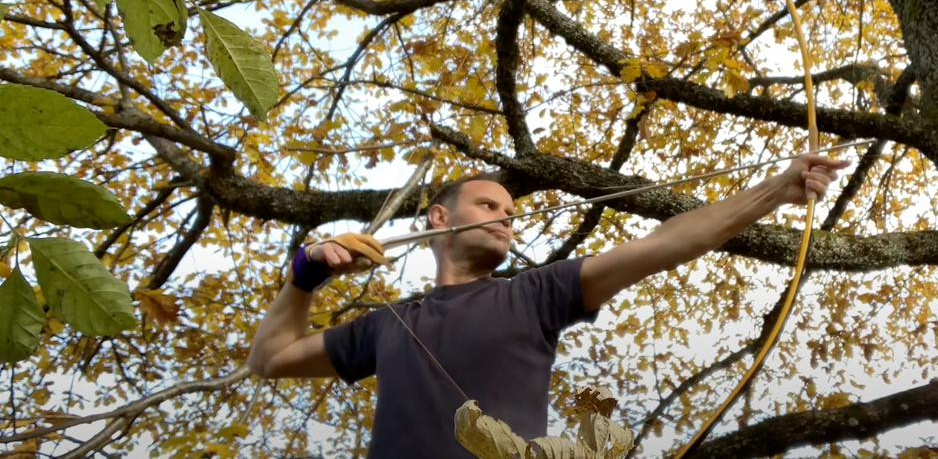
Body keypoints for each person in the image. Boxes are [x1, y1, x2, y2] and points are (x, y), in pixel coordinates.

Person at [246, 154, 850, 458]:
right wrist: (303, 277)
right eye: (488, 206)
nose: (505, 217)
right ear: (439, 218)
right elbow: (268, 360)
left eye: (510, 212)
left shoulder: (535, 294)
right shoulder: (388, 325)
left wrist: (776, 190)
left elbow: (668, 242)